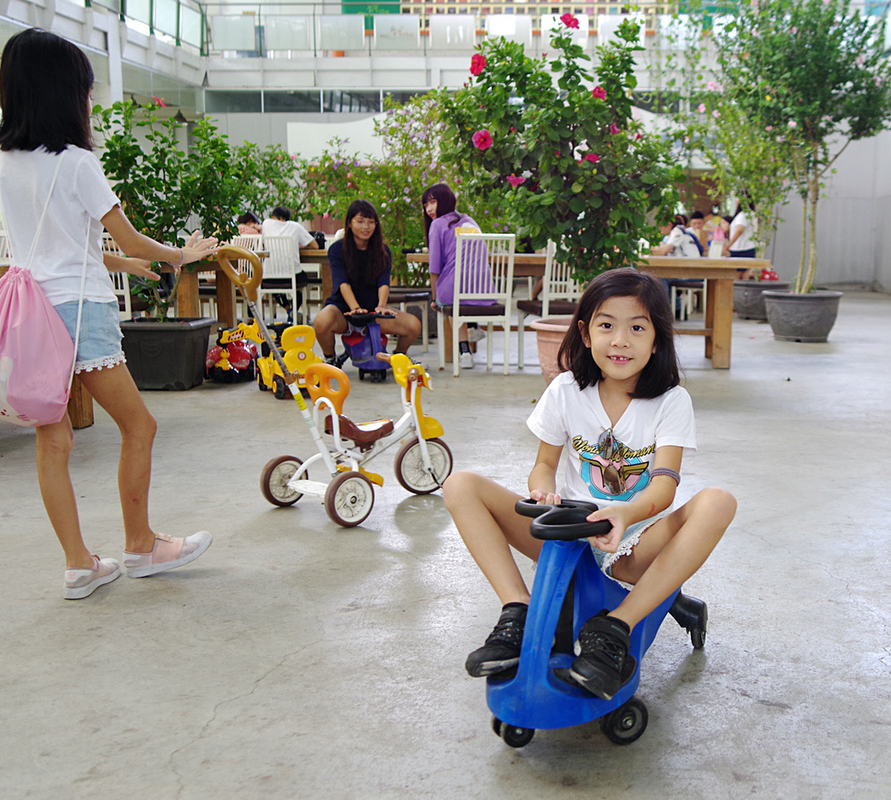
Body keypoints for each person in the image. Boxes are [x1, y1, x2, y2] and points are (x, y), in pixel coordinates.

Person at [0, 29, 218, 600]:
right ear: (63, 95)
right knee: (140, 425)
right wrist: (178, 256)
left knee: (54, 441)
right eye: (85, 91)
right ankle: (140, 545)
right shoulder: (77, 162)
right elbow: (132, 236)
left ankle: (78, 565)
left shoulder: (4, 163)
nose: (89, 102)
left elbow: (57, 243)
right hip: (79, 310)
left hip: (30, 313)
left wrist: (124, 264)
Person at [442, 268, 736, 700]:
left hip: (631, 540)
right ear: (585, 333)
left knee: (718, 502)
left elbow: (664, 489)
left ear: (657, 340)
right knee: (459, 485)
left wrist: (625, 513)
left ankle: (617, 626)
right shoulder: (565, 390)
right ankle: (516, 609)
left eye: (637, 328)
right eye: (606, 325)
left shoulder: (671, 401)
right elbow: (544, 464)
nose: (620, 340)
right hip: (565, 533)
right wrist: (543, 492)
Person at [313, 199, 421, 363]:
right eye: (360, 221)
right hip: (344, 311)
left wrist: (382, 307)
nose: (366, 227)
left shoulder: (383, 251)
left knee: (413, 325)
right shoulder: (337, 249)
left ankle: (397, 358)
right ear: (349, 223)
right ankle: (330, 359)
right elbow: (342, 282)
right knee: (321, 321)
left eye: (371, 222)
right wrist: (355, 308)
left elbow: (384, 282)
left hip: (373, 313)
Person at [422, 182, 493, 369]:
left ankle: (465, 351)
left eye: (432, 202)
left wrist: (436, 299)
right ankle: (472, 326)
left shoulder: (437, 224)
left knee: (449, 298)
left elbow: (434, 268)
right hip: (484, 290)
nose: (428, 208)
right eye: (425, 204)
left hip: (456, 293)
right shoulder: (470, 221)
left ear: (445, 200)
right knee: (458, 293)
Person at [727, 199, 758, 276]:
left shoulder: (743, 215)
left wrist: (728, 246)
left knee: (737, 275)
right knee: (745, 274)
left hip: (740, 249)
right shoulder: (752, 214)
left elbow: (739, 230)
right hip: (749, 247)